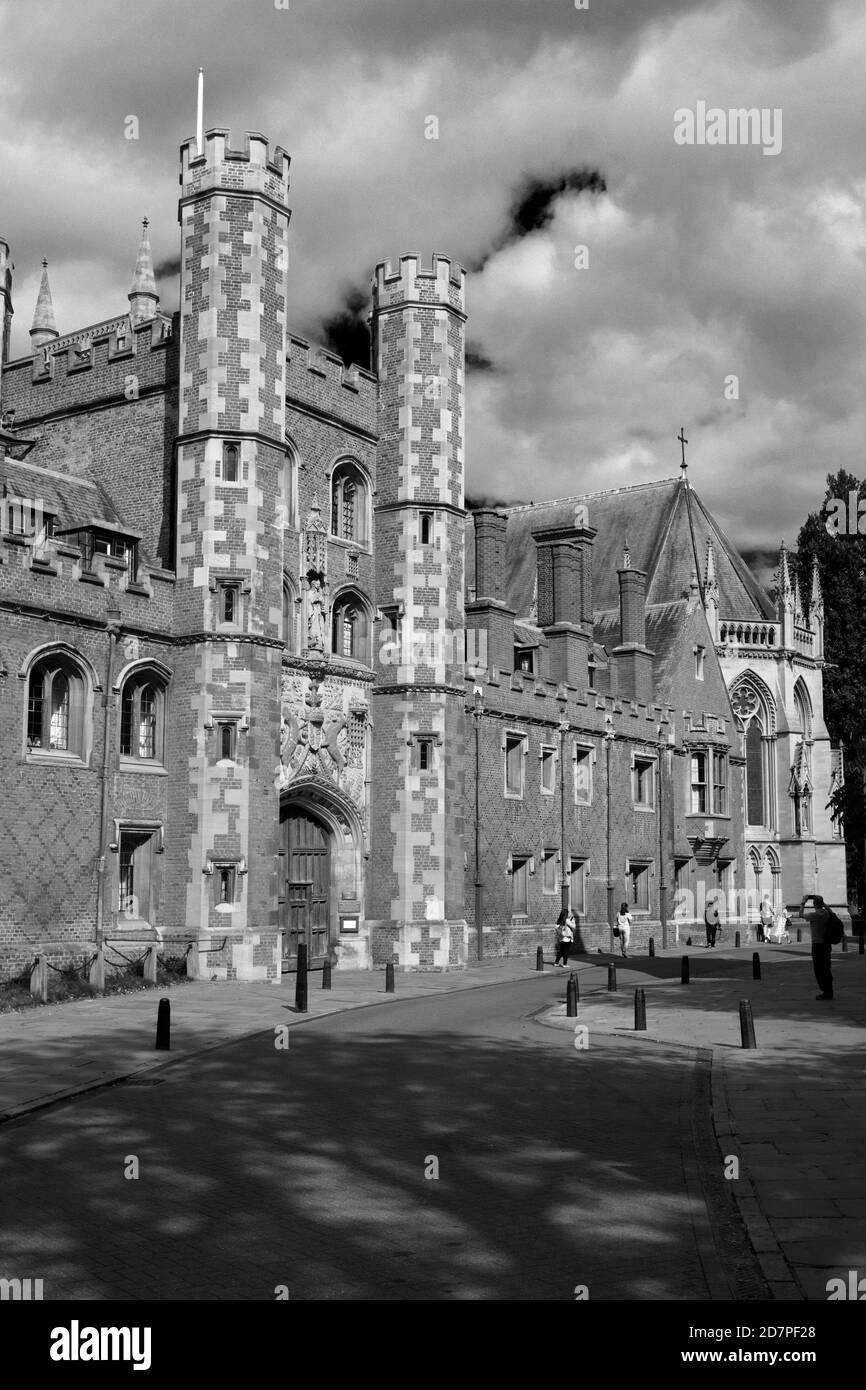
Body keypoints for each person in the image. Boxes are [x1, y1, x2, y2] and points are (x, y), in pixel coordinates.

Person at [802, 894, 834, 999]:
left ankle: (826, 992)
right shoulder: (826, 913)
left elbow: (800, 914)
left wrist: (803, 902)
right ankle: (829, 991)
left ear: (814, 904)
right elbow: (832, 912)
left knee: (819, 970)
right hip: (826, 944)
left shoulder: (814, 915)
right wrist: (823, 903)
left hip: (817, 945)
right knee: (826, 968)